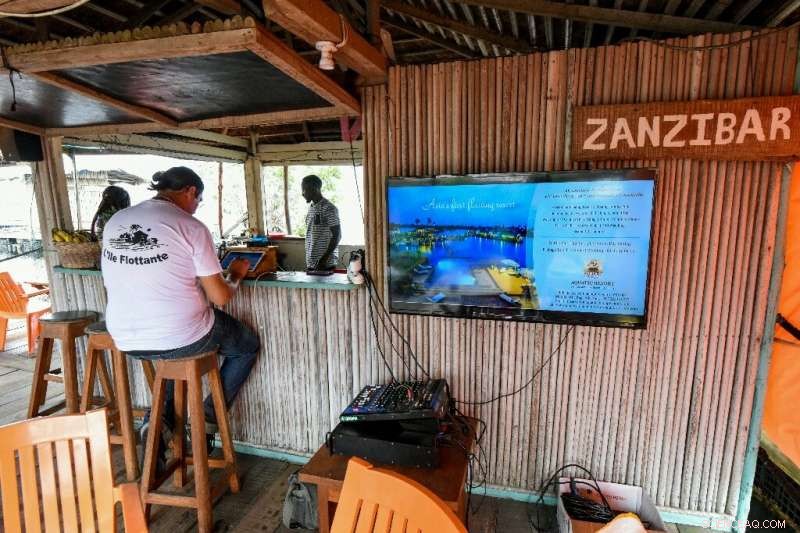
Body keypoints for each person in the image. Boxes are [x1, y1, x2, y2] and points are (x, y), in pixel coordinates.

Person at [101, 166, 259, 463]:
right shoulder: (191, 226)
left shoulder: (117, 221)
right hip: (180, 334)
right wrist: (236, 274)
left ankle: (158, 421)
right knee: (245, 345)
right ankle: (208, 418)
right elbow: (221, 297)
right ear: (190, 191)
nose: (197, 207)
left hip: (124, 336)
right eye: (198, 200)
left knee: (173, 354)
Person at [301, 174, 341, 270]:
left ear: (314, 188)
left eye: (304, 190)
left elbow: (337, 235)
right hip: (312, 263)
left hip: (325, 264)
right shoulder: (311, 208)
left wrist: (324, 259)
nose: (302, 193)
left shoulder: (329, 208)